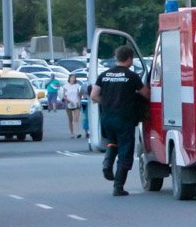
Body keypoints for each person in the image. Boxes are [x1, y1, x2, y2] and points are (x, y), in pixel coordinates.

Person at [91, 46, 149, 196]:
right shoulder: (131, 76)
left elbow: (93, 95)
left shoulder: (104, 75)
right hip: (124, 118)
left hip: (107, 117)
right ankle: (118, 186)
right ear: (129, 59)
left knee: (112, 142)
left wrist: (107, 102)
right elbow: (146, 94)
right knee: (125, 151)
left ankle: (107, 164)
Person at [59, 74, 82, 138]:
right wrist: (70, 101)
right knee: (70, 119)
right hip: (68, 103)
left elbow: (78, 95)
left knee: (76, 119)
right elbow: (64, 96)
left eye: (74, 78)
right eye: (71, 78)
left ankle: (77, 132)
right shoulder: (66, 86)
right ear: (69, 78)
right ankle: (72, 133)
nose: (72, 79)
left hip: (76, 103)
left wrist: (79, 102)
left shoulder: (77, 86)